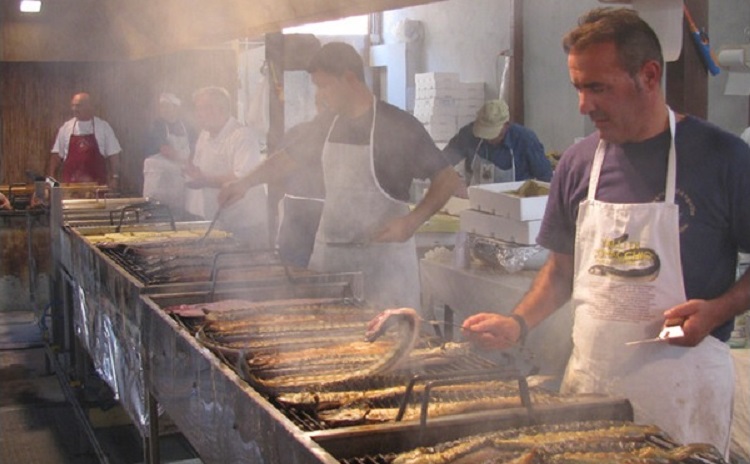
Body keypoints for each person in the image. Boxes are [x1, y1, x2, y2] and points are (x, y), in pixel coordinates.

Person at [461, 7, 750, 455]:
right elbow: (560, 272)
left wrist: (716, 310)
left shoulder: (723, 157)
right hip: (592, 388)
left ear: (649, 76)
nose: (584, 104)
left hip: (684, 395)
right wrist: (518, 323)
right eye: (578, 87)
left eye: (598, 87)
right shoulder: (577, 163)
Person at [219, 42, 462, 309]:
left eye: (324, 86)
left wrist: (412, 221)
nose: (321, 96)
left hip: (384, 269)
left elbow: (447, 178)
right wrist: (244, 183)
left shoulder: (397, 125)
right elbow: (287, 159)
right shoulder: (327, 124)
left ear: (348, 79)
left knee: (390, 344)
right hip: (331, 262)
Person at [184, 86, 268, 248]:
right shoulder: (204, 134)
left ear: (220, 109)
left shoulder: (242, 135)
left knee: (248, 268)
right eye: (197, 109)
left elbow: (242, 177)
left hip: (246, 223)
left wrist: (205, 180)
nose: (197, 114)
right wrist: (192, 172)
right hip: (218, 221)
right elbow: (200, 167)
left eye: (202, 109)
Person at [443, 98, 552, 187]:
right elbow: (443, 161)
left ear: (506, 125)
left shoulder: (525, 139)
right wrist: (454, 180)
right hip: (475, 201)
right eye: (484, 134)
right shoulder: (468, 134)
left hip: (514, 206)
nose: (489, 139)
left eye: (493, 134)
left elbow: (546, 178)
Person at [49, 92, 122, 190]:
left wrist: (115, 177)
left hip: (97, 189)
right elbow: (56, 157)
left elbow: (114, 155)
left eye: (78, 106)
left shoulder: (103, 127)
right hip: (70, 190)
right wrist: (51, 180)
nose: (74, 109)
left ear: (89, 106)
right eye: (73, 106)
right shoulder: (66, 128)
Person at [142, 92, 196, 217]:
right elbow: (165, 151)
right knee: (157, 214)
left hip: (178, 180)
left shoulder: (186, 126)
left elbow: (195, 148)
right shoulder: (157, 125)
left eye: (167, 106)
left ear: (176, 108)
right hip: (159, 181)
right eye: (162, 106)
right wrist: (186, 162)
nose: (163, 109)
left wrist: (190, 163)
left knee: (177, 214)